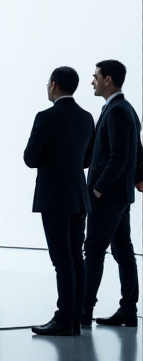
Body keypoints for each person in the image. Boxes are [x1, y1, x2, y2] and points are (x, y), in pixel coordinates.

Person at [23, 67, 95, 336]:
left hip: (53, 195)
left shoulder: (46, 117)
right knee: (76, 256)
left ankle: (64, 318)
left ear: (53, 85)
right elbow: (88, 159)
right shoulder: (87, 118)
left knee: (61, 258)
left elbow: (30, 159)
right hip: (78, 194)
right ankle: (75, 317)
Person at [83, 60, 143, 328]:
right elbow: (137, 150)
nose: (92, 81)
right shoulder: (124, 108)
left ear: (108, 79)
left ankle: (83, 311)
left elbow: (119, 156)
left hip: (108, 197)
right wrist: (139, 179)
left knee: (94, 250)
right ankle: (128, 310)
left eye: (95, 76)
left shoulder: (118, 111)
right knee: (122, 250)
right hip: (120, 195)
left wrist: (98, 188)